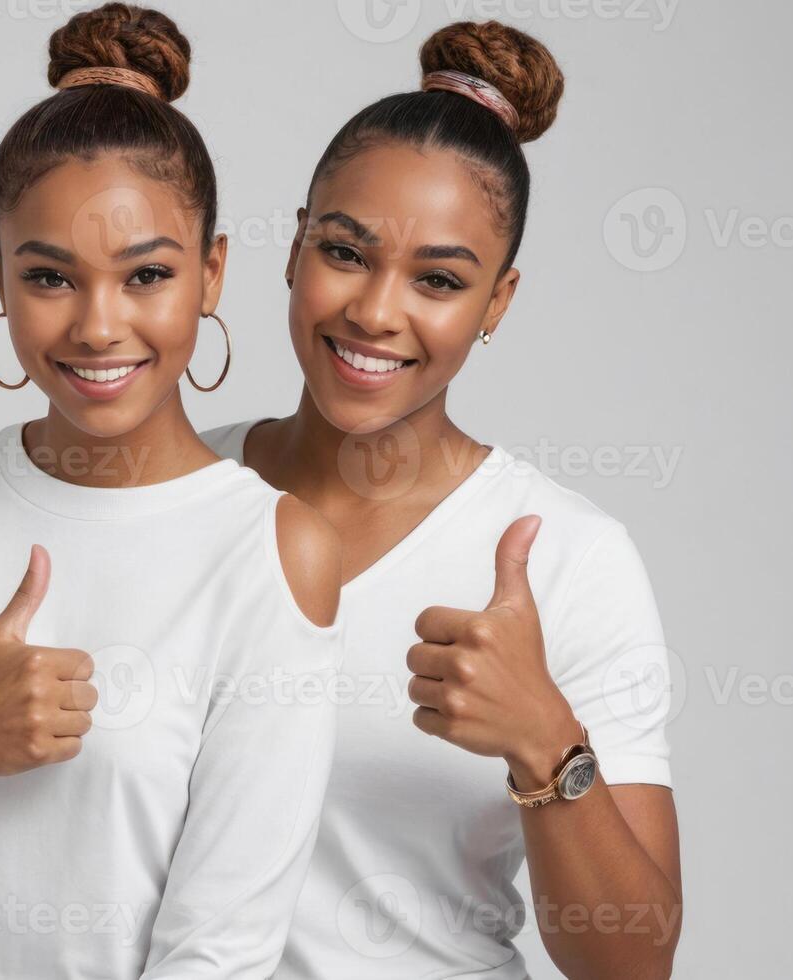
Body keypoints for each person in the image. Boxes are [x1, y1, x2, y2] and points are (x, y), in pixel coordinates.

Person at [0, 5, 345, 978]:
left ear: (209, 274)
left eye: (145, 275)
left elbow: (219, 950)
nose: (96, 324)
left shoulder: (270, 548)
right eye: (49, 275)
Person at [201, 20, 682, 979]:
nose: (377, 311)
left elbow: (632, 962)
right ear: (293, 247)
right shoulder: (175, 493)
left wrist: (543, 739)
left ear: (495, 304)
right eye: (345, 251)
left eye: (438, 280)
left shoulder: (566, 558)